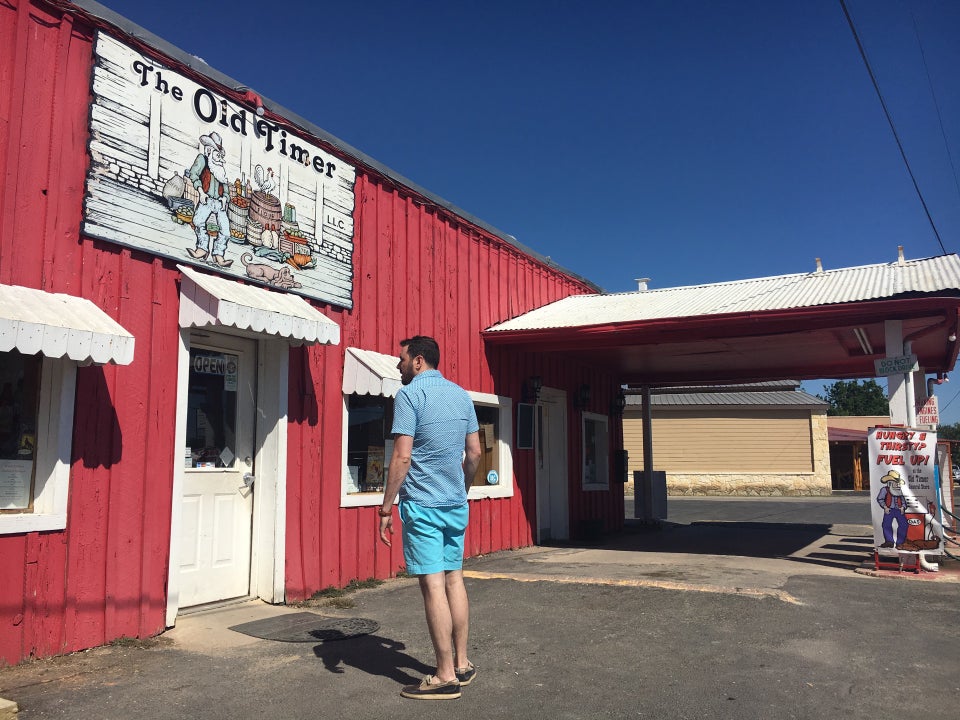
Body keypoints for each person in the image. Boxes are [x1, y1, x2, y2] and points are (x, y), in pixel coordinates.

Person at [378, 336, 481, 700]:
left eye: (402, 359)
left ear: (418, 361)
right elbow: (474, 453)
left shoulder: (409, 396)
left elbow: (402, 457)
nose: (399, 365)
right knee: (454, 580)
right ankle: (462, 664)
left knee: (433, 586)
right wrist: (462, 489)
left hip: (423, 506)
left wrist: (386, 508)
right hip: (454, 504)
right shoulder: (461, 395)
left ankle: (444, 676)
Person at [185, 131, 233, 267]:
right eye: (215, 151)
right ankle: (202, 249)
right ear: (209, 150)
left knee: (225, 231)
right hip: (206, 199)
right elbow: (194, 174)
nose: (218, 155)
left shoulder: (220, 167)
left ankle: (218, 254)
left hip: (219, 202)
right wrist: (201, 192)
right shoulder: (203, 160)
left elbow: (225, 184)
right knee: (198, 221)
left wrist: (225, 198)